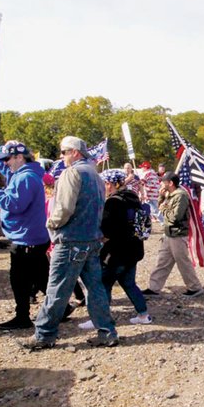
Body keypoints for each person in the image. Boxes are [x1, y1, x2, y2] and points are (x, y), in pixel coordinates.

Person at [21, 136, 118, 350]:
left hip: (71, 239)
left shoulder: (72, 172)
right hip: (91, 238)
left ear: (75, 152)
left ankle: (44, 335)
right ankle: (107, 332)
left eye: (64, 152)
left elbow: (64, 208)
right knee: (95, 289)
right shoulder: (95, 174)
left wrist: (52, 224)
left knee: (57, 289)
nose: (62, 156)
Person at [0, 140, 50, 330]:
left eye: (8, 159)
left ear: (19, 157)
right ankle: (58, 309)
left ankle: (23, 316)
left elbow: (16, 204)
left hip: (26, 237)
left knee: (20, 280)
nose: (5, 163)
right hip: (30, 235)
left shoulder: (25, 178)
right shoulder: (25, 174)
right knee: (42, 277)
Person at [79, 169, 151, 327]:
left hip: (116, 253)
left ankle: (99, 319)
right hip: (134, 250)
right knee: (129, 283)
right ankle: (143, 314)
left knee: (103, 284)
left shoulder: (113, 202)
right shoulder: (132, 197)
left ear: (109, 184)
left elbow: (107, 231)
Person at [143, 171, 204, 297]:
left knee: (183, 262)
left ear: (170, 183)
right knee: (163, 262)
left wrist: (163, 208)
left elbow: (175, 217)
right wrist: (161, 198)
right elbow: (163, 208)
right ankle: (154, 288)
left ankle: (195, 287)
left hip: (178, 234)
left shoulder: (180, 195)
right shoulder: (170, 194)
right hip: (168, 234)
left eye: (163, 182)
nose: (161, 185)